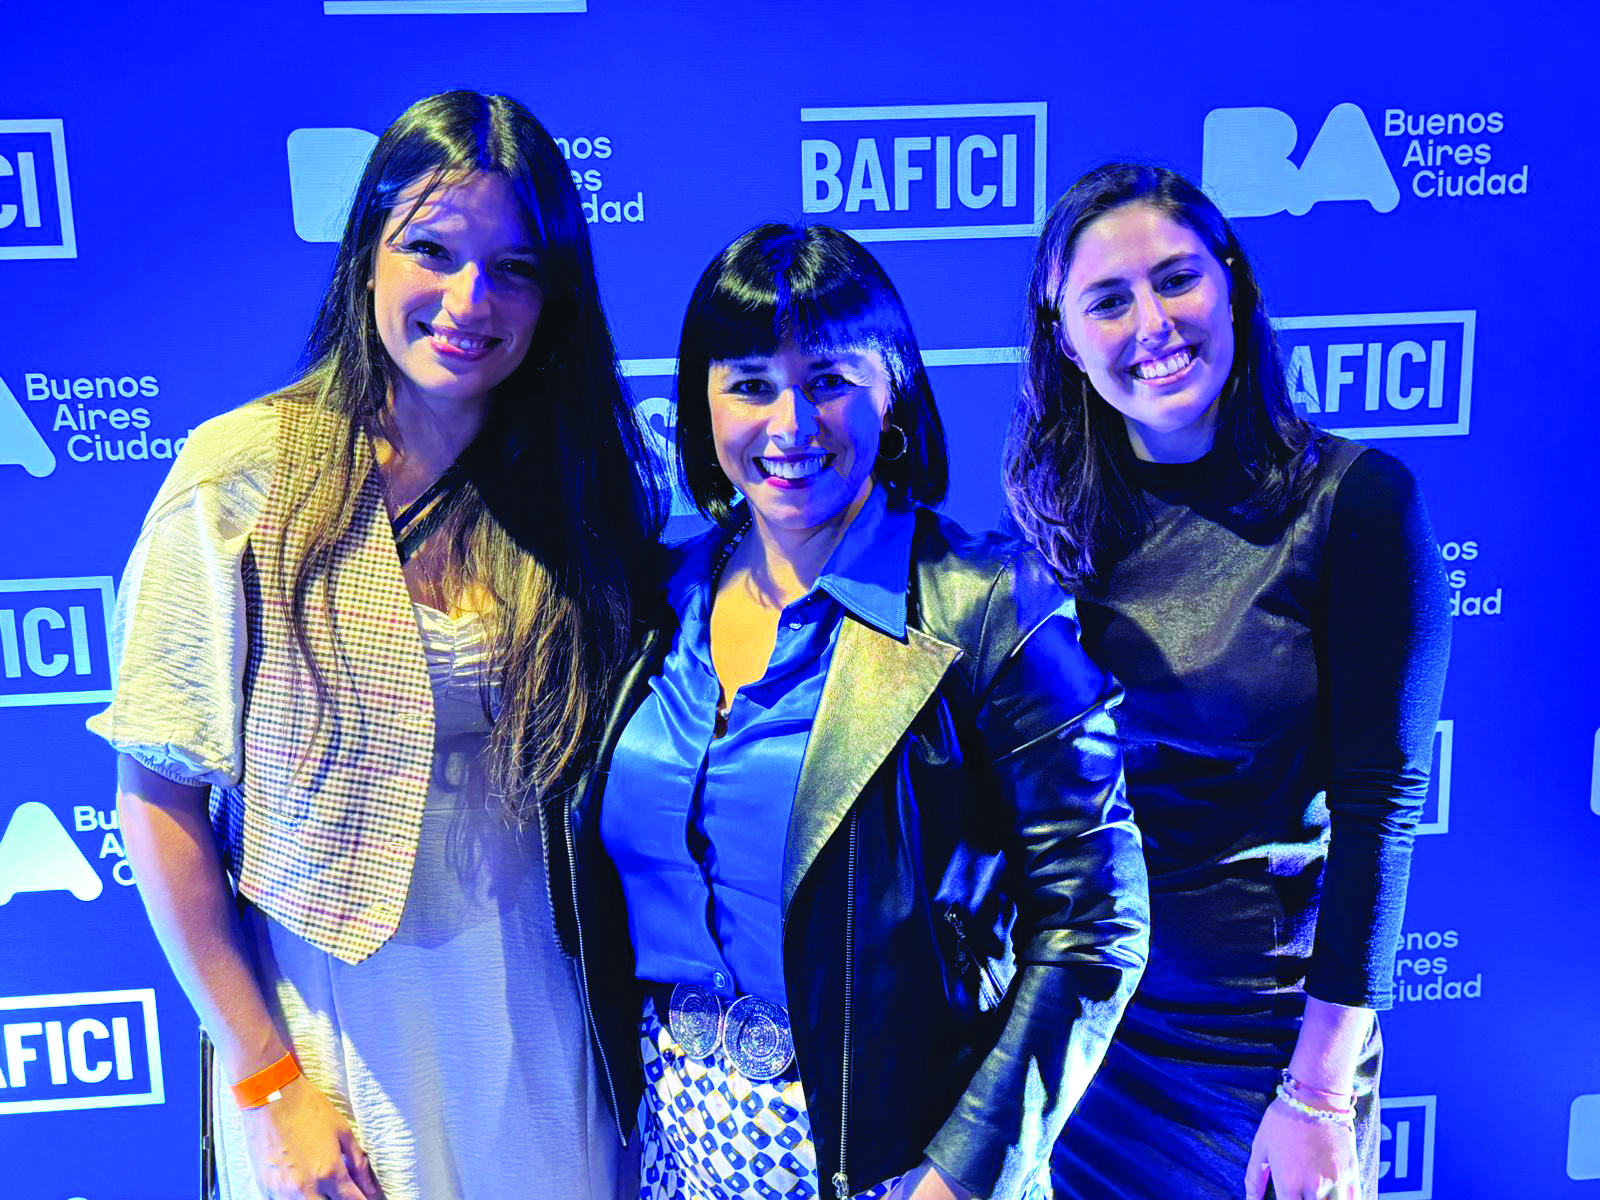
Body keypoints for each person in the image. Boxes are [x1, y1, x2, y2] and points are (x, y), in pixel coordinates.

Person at [87, 90, 662, 1200]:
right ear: (366, 255)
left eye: (515, 268)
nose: (470, 300)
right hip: (333, 1037)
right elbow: (156, 804)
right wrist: (269, 1084)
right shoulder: (242, 475)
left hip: (551, 1026)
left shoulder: (578, 491)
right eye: (432, 250)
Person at [553, 222, 1149, 1200]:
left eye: (827, 380)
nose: (790, 424)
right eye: (750, 384)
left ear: (893, 389)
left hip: (905, 1166)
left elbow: (1096, 925)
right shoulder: (652, 602)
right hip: (680, 1152)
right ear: (701, 404)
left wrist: (962, 1176)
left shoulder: (992, 605)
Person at [1002, 163, 1452, 1200]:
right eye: (1108, 301)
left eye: (1176, 280)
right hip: (1085, 1043)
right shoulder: (1051, 527)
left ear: (1232, 284)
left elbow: (1381, 810)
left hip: (1264, 1055)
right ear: (1064, 339)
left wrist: (1319, 1093)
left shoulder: (1359, 503)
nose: (1153, 324)